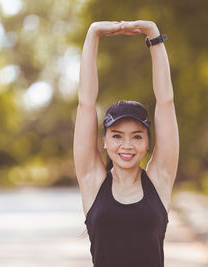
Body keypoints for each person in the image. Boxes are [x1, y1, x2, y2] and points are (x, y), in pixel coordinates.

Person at [73, 20, 179, 267]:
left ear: (148, 142)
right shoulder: (93, 182)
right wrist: (92, 35)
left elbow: (165, 102)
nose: (127, 145)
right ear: (105, 142)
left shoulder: (159, 180)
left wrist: (153, 35)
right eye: (117, 135)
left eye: (137, 136)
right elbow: (85, 103)